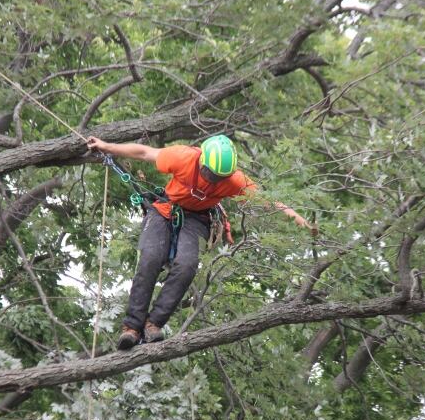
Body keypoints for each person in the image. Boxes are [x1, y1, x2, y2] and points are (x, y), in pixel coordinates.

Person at [86, 134, 316, 350]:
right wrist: (106, 146)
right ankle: (132, 328)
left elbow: (269, 201)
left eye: (218, 177)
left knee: (187, 265)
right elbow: (145, 152)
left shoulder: (234, 180)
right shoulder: (183, 157)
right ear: (202, 160)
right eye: (209, 173)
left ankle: (153, 324)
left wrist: (300, 221)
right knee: (150, 258)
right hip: (165, 208)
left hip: (197, 219)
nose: (212, 179)